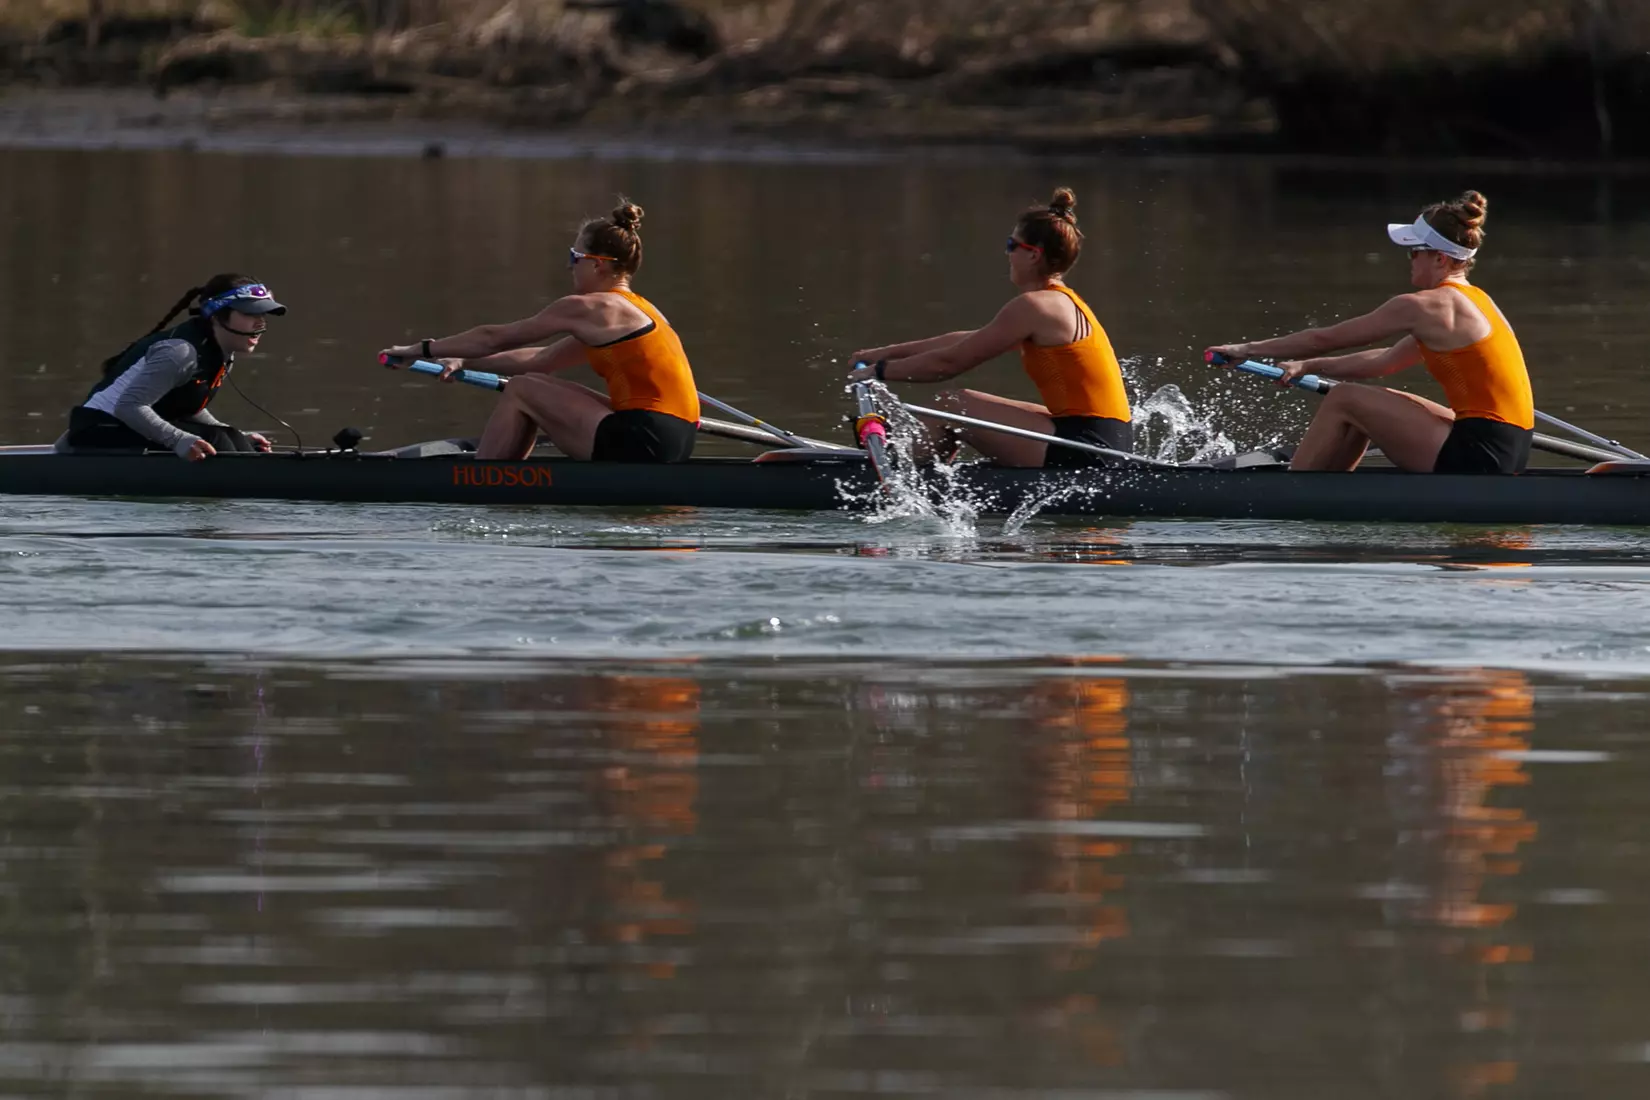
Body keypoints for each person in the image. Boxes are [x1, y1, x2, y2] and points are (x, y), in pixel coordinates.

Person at [1206, 190, 1533, 474]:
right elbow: (1384, 362)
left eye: (1414, 252)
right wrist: (1308, 366)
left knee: (1344, 397)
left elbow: (1326, 337)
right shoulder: (1476, 302)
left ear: (1440, 259)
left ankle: (1291, 492)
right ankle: (1328, 489)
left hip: (1479, 457)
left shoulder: (1427, 305)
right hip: (1509, 450)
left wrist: (1247, 349)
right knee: (1372, 400)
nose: (1410, 261)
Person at [380, 200, 700, 463]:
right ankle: (502, 470)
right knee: (534, 382)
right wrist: (463, 361)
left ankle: (478, 481)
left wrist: (420, 350)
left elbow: (495, 337)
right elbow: (541, 359)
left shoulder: (592, 307)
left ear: (597, 264)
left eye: (574, 257)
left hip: (642, 440)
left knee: (520, 389)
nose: (568, 266)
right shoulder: (641, 310)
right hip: (677, 440)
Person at [846, 187, 1132, 468]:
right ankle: (917, 470)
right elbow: (964, 342)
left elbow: (949, 363)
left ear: (1033, 255)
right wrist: (883, 353)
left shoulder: (1036, 306)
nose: (1007, 254)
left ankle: (896, 481)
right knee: (962, 405)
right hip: (1100, 439)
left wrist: (878, 372)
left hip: (1089, 449)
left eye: (1012, 245)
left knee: (950, 405)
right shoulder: (1060, 303)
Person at [60, 275, 285, 460]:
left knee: (228, 436)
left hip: (128, 426)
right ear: (216, 315)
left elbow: (188, 408)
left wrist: (239, 437)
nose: (260, 323)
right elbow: (128, 407)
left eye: (262, 314)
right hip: (97, 430)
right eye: (249, 313)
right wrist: (178, 440)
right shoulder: (179, 352)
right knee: (217, 440)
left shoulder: (221, 353)